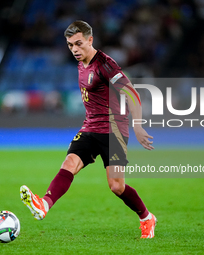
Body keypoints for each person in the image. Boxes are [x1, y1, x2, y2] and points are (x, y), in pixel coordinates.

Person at [20, 21, 156, 238]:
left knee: (116, 187)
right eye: (70, 45)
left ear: (90, 40)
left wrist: (137, 126)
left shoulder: (105, 64)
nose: (74, 49)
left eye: (78, 44)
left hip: (114, 131)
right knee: (69, 163)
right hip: (90, 127)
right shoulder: (80, 62)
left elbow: (132, 94)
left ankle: (147, 217)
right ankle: (44, 204)